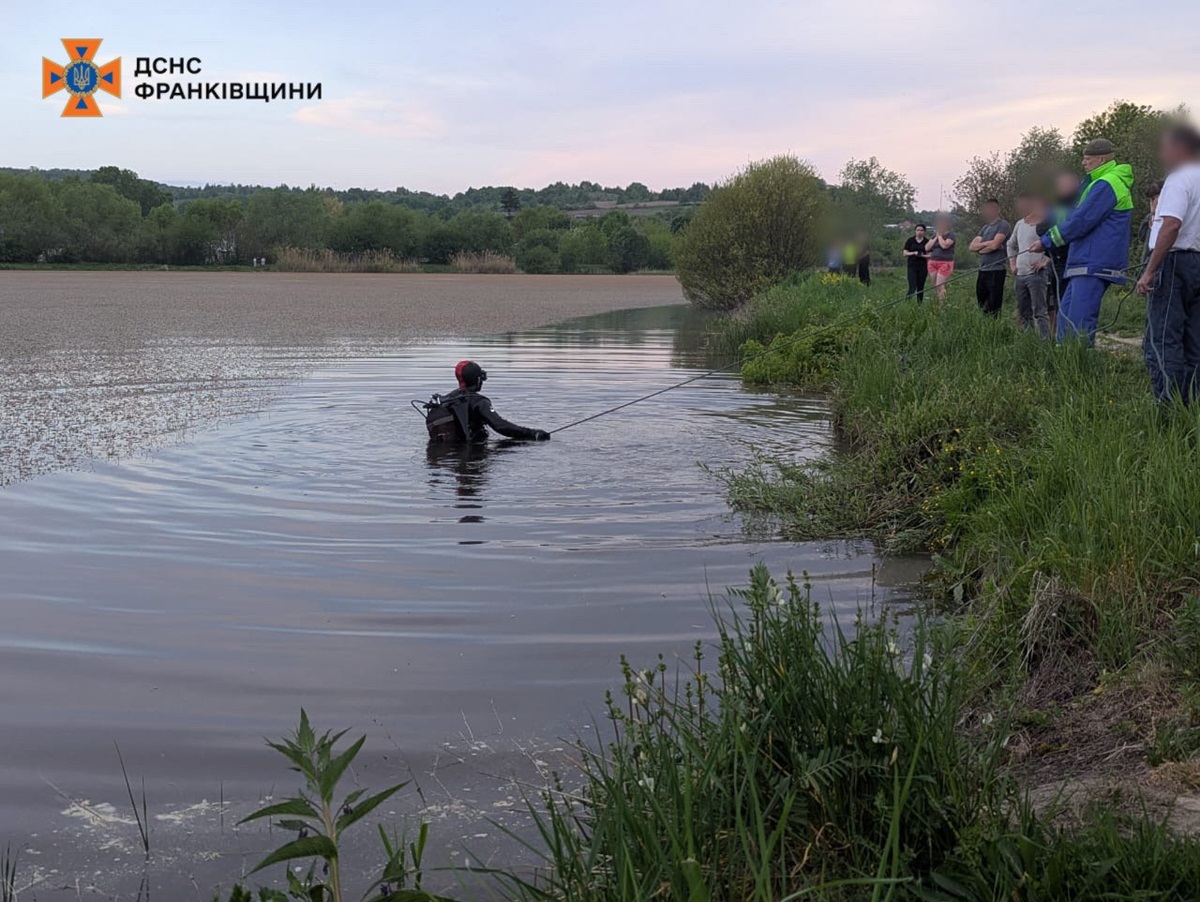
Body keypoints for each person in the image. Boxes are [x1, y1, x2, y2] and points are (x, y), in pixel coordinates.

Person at [1033, 138, 1134, 344]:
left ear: (1102, 158)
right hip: (1082, 262)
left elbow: (1081, 221)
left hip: (1094, 261)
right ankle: (1063, 368)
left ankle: (1080, 370)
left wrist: (1046, 241)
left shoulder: (1108, 183)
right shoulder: (1096, 184)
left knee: (1078, 323)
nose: (1083, 163)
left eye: (1088, 159)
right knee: (1066, 318)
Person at [1136, 123, 1200, 403]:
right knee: (1194, 342)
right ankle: (1192, 405)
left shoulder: (1179, 179)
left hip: (1172, 263)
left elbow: (1171, 225)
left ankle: (1168, 409)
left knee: (1163, 340)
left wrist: (1149, 271)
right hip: (1197, 262)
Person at [425, 360, 550, 444]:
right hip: (472, 452)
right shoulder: (479, 402)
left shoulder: (448, 398)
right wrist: (533, 434)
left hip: (447, 451)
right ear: (478, 380)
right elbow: (501, 426)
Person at [1039, 171, 1082, 339]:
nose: (1061, 188)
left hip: (1075, 259)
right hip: (1055, 262)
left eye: (1065, 184)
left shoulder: (1081, 203)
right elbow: (1041, 228)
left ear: (1076, 184)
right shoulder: (1053, 206)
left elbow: (1078, 228)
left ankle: (1075, 341)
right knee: (1059, 303)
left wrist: (1056, 236)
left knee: (1074, 303)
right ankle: (1061, 341)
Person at [1007, 193, 1052, 339]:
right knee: (1023, 311)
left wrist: (1045, 261)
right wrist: (1013, 263)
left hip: (1037, 274)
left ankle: (1045, 342)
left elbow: (1056, 245)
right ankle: (1029, 341)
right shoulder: (1020, 224)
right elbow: (1011, 244)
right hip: (1020, 274)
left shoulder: (1047, 224)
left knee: (1040, 311)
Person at [969, 199, 1011, 316]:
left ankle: (995, 330)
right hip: (982, 270)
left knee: (994, 306)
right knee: (982, 304)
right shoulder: (985, 228)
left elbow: (995, 245)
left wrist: (982, 248)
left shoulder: (1003, 225)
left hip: (996, 270)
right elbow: (972, 247)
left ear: (997, 210)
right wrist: (987, 245)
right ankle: (985, 329)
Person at [925, 214, 956, 301]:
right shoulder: (934, 236)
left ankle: (943, 306)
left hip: (945, 262)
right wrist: (935, 238)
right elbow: (927, 247)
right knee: (935, 285)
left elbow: (944, 245)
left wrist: (939, 236)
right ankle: (937, 302)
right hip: (933, 262)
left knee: (940, 285)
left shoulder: (951, 235)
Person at [904, 224, 930, 300]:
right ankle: (907, 302)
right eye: (918, 230)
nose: (919, 232)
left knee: (920, 287)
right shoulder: (910, 241)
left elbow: (931, 255)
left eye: (921, 230)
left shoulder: (927, 241)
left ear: (924, 232)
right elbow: (905, 253)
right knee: (912, 286)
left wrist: (922, 255)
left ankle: (919, 305)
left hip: (922, 266)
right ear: (915, 231)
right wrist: (914, 253)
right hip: (912, 266)